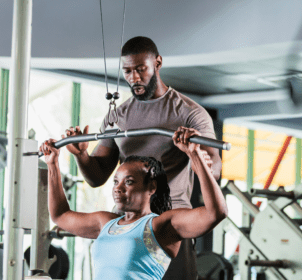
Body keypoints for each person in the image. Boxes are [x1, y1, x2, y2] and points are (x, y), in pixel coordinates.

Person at [62, 36, 222, 279]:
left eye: (140, 69)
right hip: (127, 226)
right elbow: (97, 177)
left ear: (157, 63)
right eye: (127, 71)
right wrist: (82, 156)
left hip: (170, 226)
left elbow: (215, 168)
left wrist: (197, 156)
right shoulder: (117, 116)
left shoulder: (190, 114)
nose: (134, 78)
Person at [41, 127, 227, 280]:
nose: (117, 188)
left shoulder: (160, 226)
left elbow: (215, 213)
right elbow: (60, 215)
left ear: (152, 187)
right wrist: (52, 164)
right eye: (116, 181)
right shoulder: (105, 223)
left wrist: (195, 156)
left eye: (128, 182)